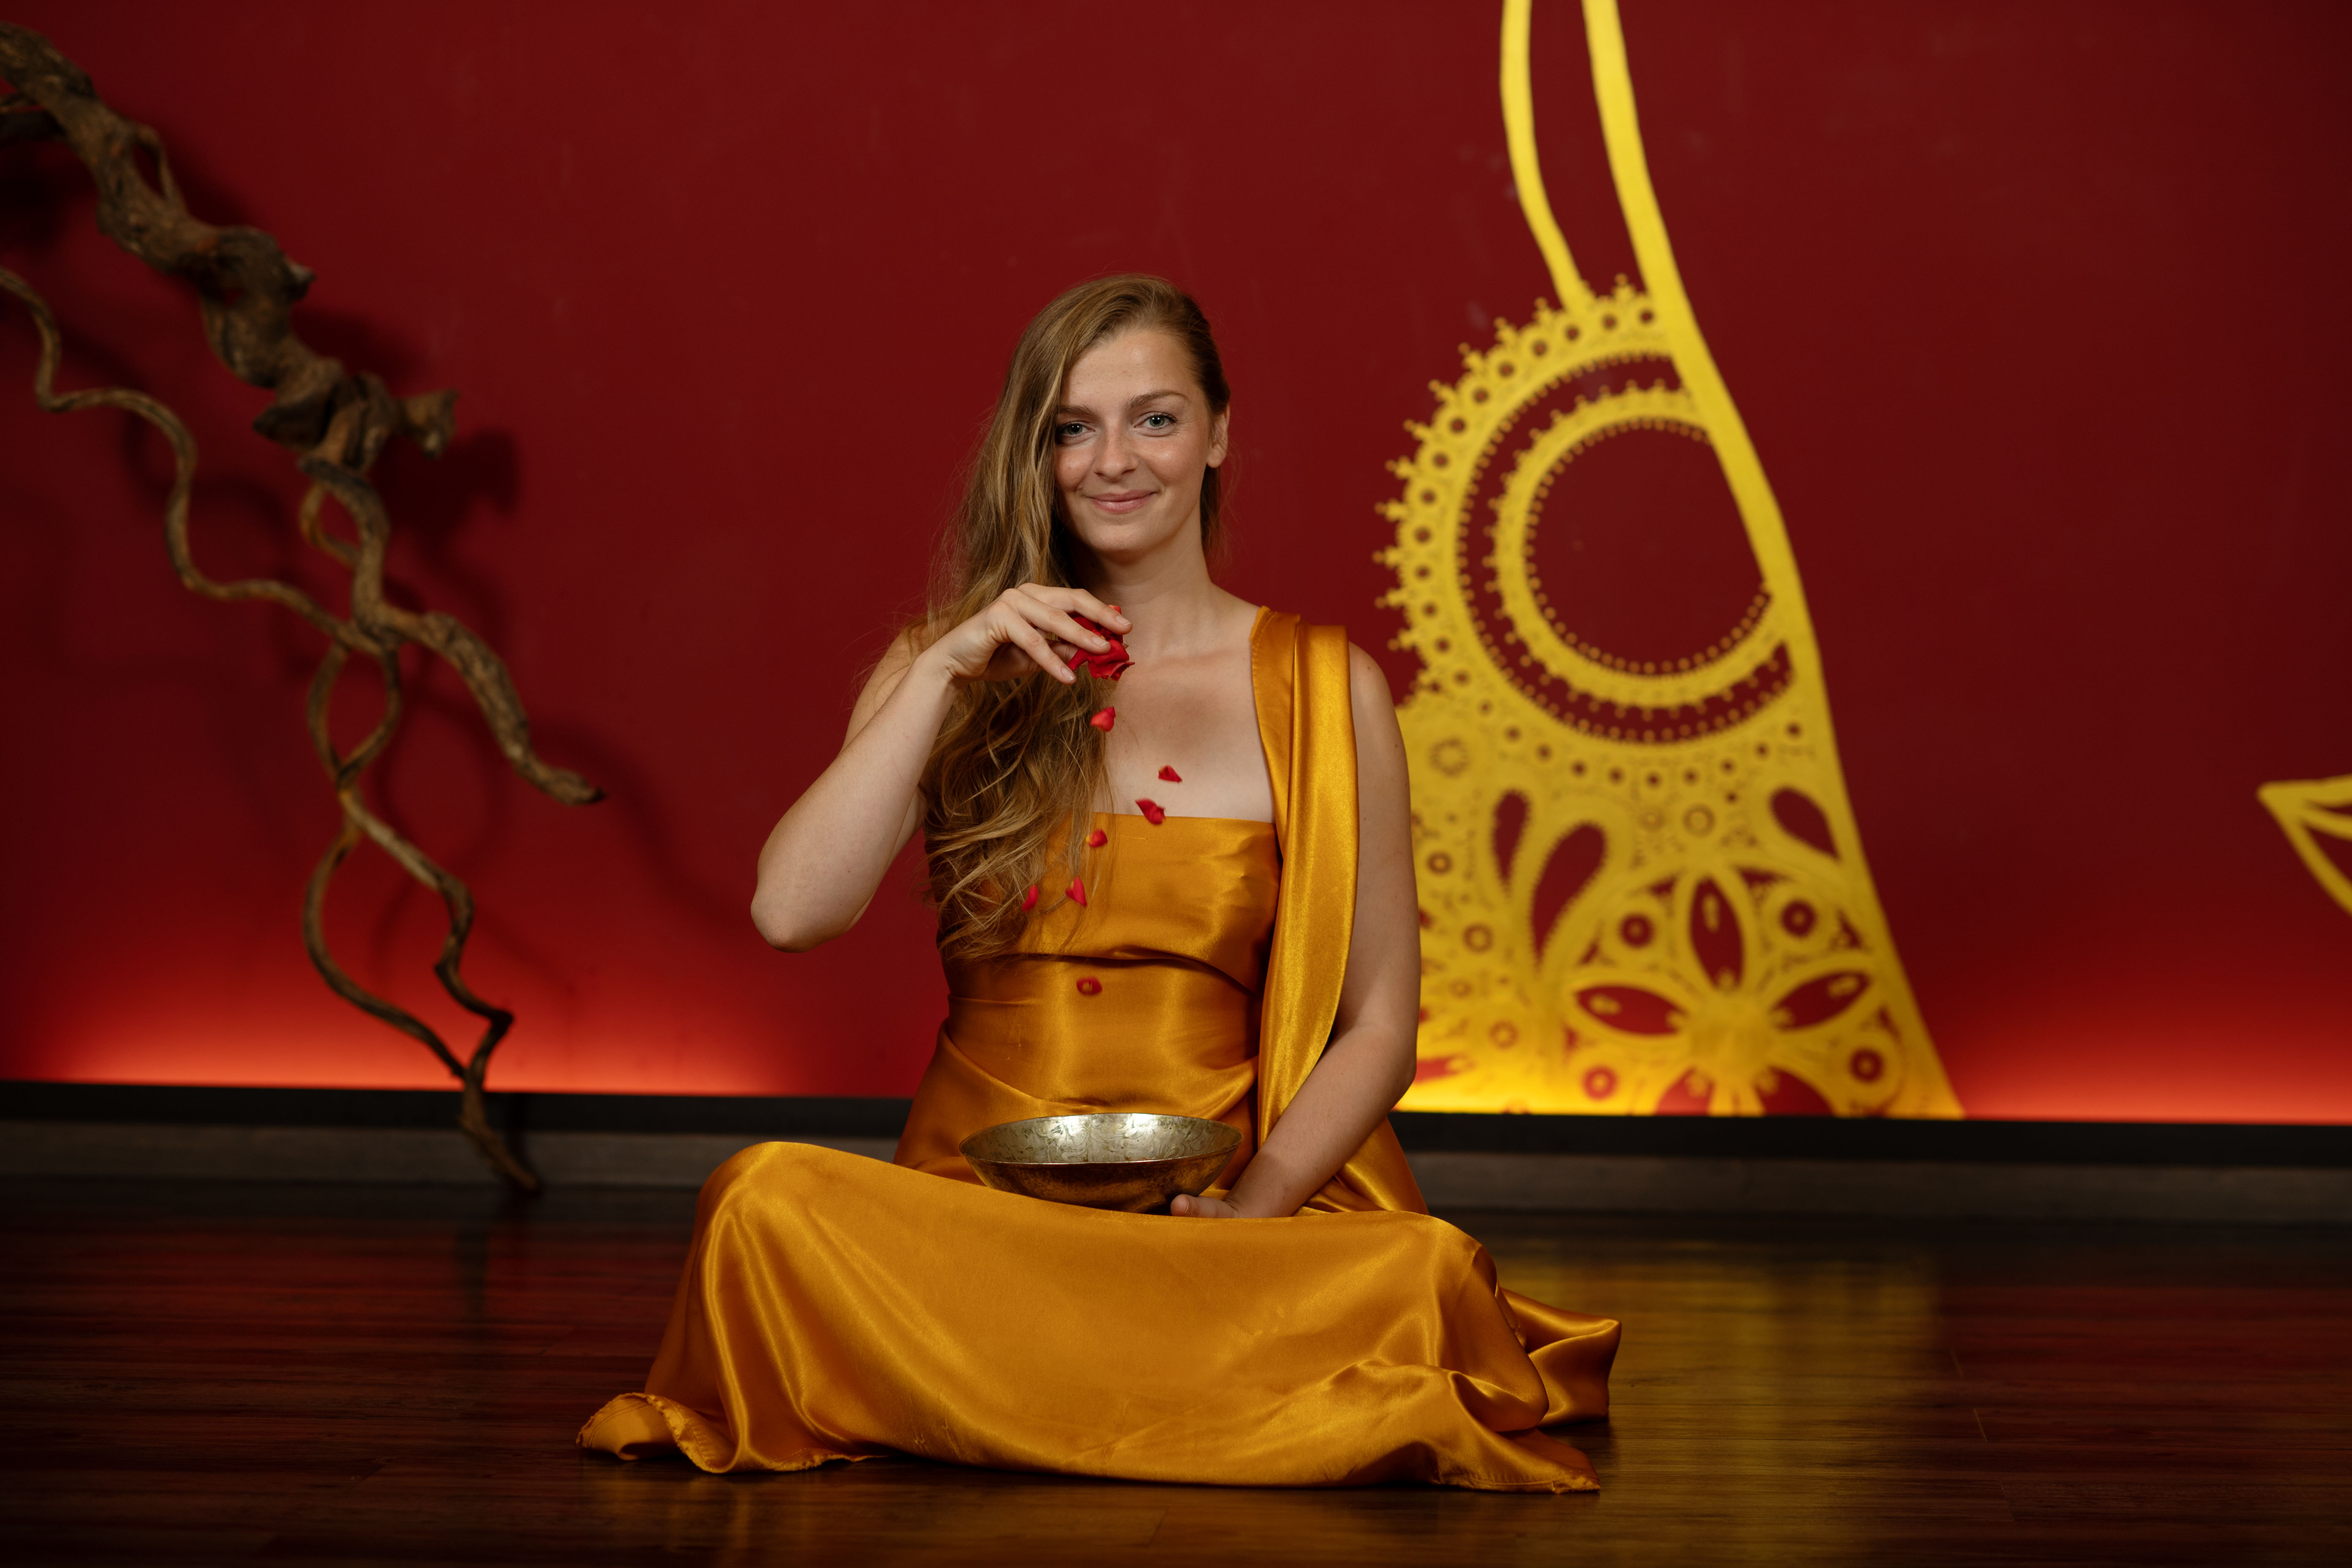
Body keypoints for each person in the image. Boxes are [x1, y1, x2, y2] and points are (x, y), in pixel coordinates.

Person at [579, 275, 1619, 1491]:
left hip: (1228, 1220)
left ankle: (1014, 1397)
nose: (1113, 461)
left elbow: (1382, 1023)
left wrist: (1253, 1212)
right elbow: (791, 913)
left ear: (1218, 434)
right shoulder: (945, 667)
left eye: (1155, 420)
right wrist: (945, 669)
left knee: (1424, 1274)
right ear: (1036, 452)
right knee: (759, 1202)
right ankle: (1135, 1397)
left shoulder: (1328, 687)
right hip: (980, 1221)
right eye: (1073, 428)